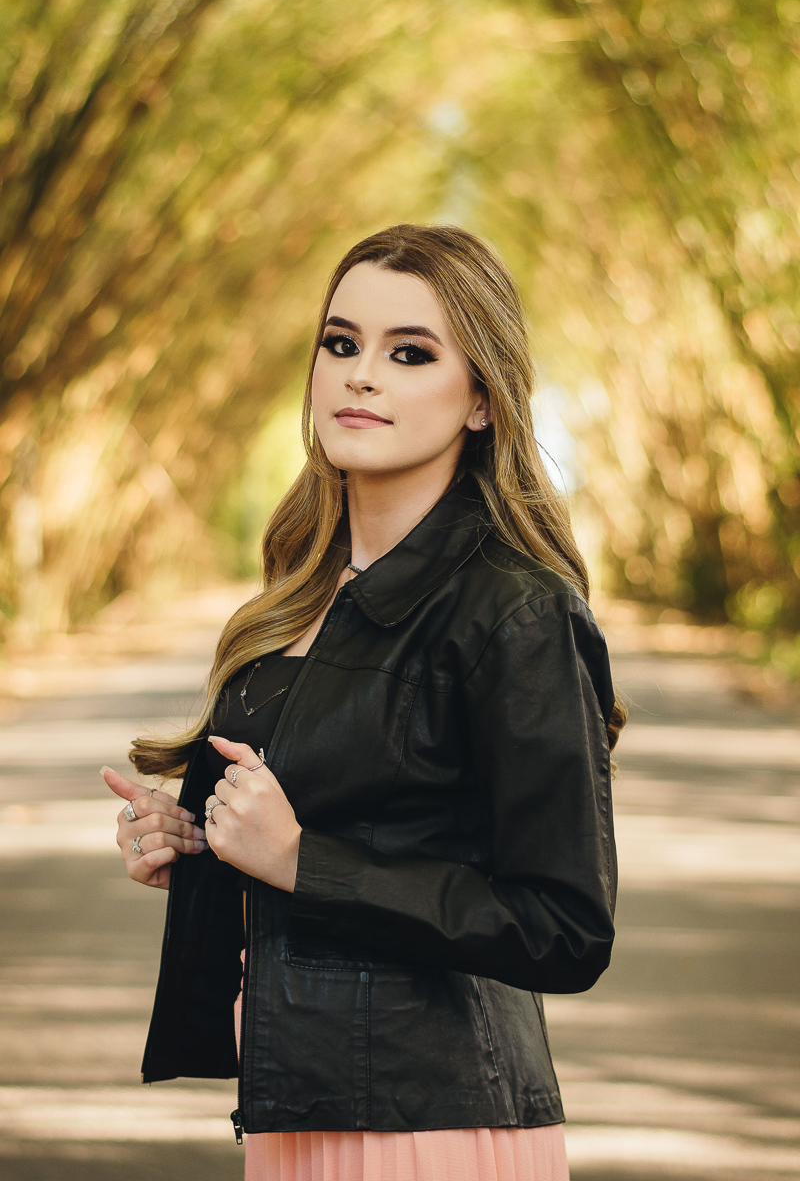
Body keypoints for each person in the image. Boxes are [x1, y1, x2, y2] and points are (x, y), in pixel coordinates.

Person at [103, 223, 625, 1181]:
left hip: (434, 1124)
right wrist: (206, 849)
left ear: (482, 399)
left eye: (409, 353)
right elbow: (344, 833)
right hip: (296, 1103)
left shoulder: (514, 611)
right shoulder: (297, 594)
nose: (361, 375)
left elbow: (564, 929)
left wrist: (301, 861)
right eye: (340, 343)